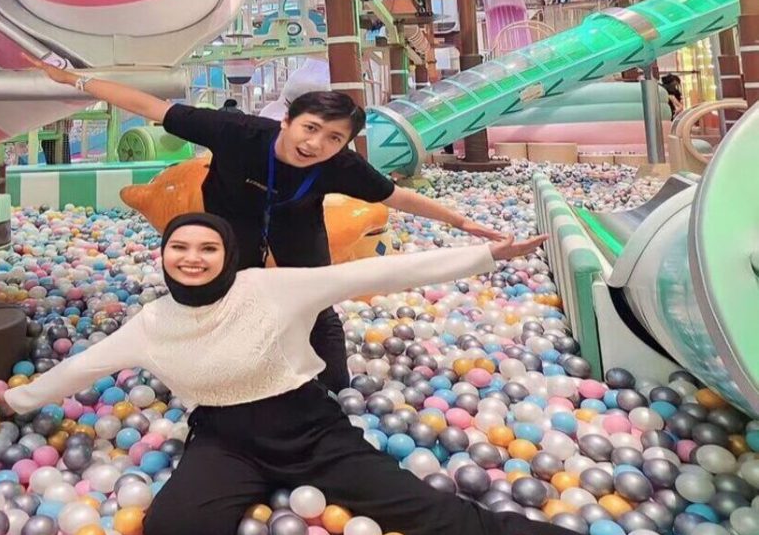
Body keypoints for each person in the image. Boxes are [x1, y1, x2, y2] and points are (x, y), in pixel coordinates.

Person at [5, 214, 611, 535]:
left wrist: (483, 253)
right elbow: (80, 369)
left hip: (312, 432)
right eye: (179, 248)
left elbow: (375, 272)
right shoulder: (152, 323)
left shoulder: (269, 290)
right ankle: (264, 500)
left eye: (207, 248)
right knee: (175, 532)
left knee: (439, 525)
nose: (192, 258)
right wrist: (19, 402)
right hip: (226, 441)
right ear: (164, 256)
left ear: (228, 255)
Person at [31, 61, 504, 393]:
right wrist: (78, 80)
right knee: (217, 295)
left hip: (295, 222)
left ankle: (331, 386)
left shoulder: (340, 165)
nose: (316, 143)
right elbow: (153, 108)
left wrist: (462, 221)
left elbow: (396, 197)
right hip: (230, 217)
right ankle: (217, 373)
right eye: (311, 128)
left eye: (334, 138)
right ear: (288, 121)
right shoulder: (238, 132)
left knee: (315, 299)